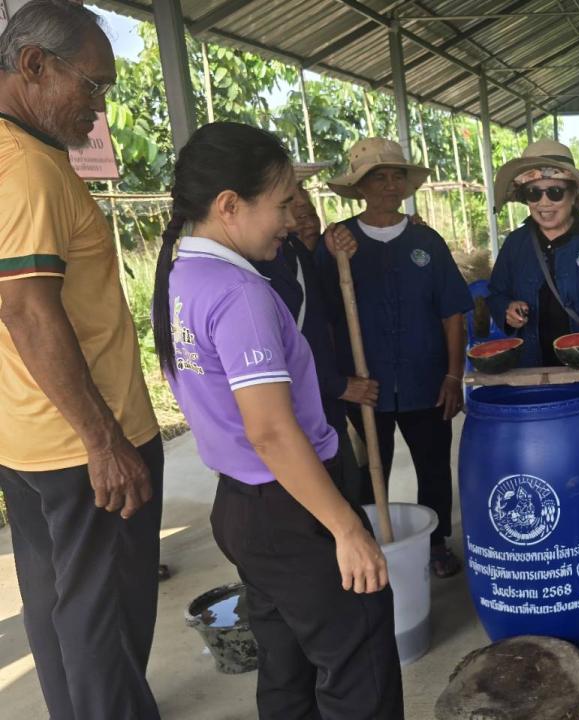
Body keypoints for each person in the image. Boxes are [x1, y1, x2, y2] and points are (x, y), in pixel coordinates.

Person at [154, 122, 403, 719]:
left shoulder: (181, 276)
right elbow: (270, 431)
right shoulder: (240, 292)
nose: (292, 220)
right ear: (229, 206)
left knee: (286, 668)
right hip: (293, 507)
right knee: (357, 662)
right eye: (282, 203)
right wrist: (346, 529)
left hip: (243, 508)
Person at [0, 3, 164, 717]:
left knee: (61, 611)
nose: (99, 111)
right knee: (107, 625)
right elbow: (29, 308)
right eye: (93, 86)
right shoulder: (27, 169)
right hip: (84, 445)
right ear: (34, 65)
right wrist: (105, 440)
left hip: (28, 438)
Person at [319, 137, 472, 578]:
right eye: (376, 177)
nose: (388, 185)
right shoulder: (338, 245)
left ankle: (437, 542)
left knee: (433, 463)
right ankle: (370, 541)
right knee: (370, 467)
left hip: (426, 380)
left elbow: (451, 313)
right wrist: (340, 379)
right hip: (367, 385)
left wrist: (452, 375)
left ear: (406, 184)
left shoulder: (427, 241)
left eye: (395, 175)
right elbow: (325, 322)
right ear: (359, 187)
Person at [250, 164, 376, 505]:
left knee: (348, 488)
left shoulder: (297, 254)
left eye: (307, 212)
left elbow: (325, 318)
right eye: (289, 209)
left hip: (324, 412)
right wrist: (339, 385)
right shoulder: (260, 268)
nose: (299, 221)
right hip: (300, 413)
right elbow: (285, 350)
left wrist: (335, 258)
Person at [486, 139, 579, 368]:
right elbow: (496, 293)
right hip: (529, 368)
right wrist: (507, 308)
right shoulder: (515, 244)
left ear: (574, 194)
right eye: (534, 193)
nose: (544, 203)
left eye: (555, 192)